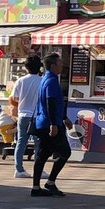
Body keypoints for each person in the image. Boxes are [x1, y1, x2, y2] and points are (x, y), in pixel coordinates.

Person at [31, 52, 72, 197]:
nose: (62, 66)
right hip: (49, 124)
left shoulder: (46, 79)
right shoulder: (51, 81)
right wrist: (55, 124)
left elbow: (54, 103)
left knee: (43, 154)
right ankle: (49, 182)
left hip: (44, 122)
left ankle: (37, 187)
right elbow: (50, 102)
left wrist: (64, 117)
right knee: (65, 152)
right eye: (60, 63)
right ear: (53, 65)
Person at [9, 55, 46, 179]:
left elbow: (14, 98)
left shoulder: (20, 81)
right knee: (38, 144)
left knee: (21, 142)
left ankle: (19, 169)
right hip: (37, 116)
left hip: (23, 115)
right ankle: (39, 170)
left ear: (26, 67)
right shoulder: (42, 81)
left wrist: (21, 105)